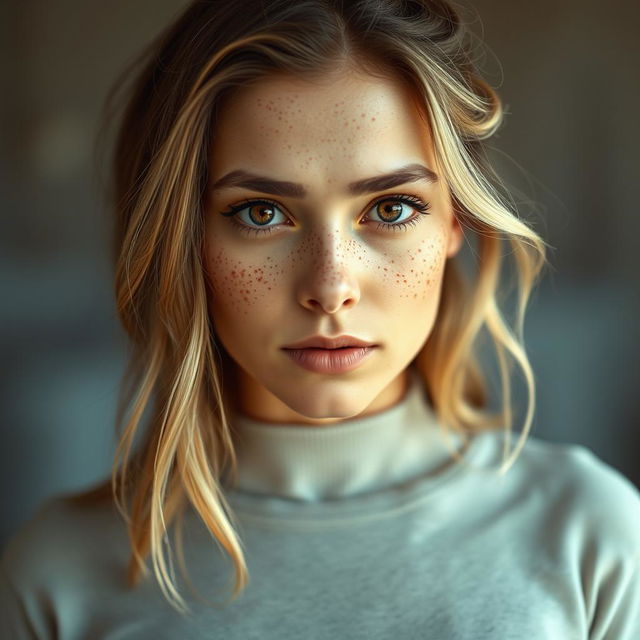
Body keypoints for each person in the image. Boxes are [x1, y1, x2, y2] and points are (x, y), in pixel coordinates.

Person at [2, 0, 639, 638]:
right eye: (259, 213)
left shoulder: (591, 535)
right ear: (182, 237)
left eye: (391, 208)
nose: (330, 288)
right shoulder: (59, 574)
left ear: (455, 220)